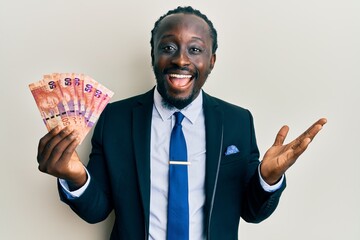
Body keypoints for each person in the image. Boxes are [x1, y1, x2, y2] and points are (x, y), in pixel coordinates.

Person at [36, 6, 327, 240]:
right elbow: (97, 210)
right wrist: (74, 177)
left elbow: (252, 212)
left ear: (211, 61)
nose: (181, 60)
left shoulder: (237, 121)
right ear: (154, 56)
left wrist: (268, 179)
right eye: (169, 48)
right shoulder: (116, 119)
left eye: (195, 50)